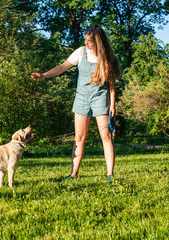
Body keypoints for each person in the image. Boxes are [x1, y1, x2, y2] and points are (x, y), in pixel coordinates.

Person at [31, 25, 121, 184]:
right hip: (81, 98)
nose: (86, 43)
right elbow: (62, 67)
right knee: (79, 137)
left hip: (100, 98)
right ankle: (73, 174)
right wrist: (43, 75)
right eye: (85, 40)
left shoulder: (107, 58)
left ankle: (110, 175)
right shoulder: (80, 52)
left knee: (105, 136)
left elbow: (112, 85)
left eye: (90, 41)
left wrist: (112, 105)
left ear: (98, 42)